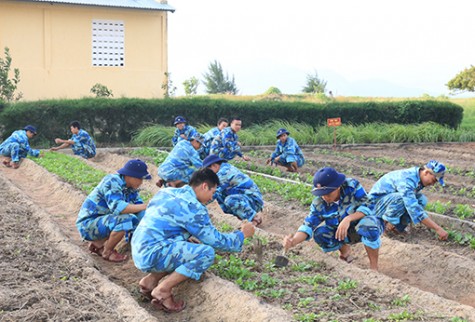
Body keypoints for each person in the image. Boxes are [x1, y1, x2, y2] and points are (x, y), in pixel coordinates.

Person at [131, 168, 255, 313]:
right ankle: (163, 291)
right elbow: (216, 241)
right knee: (206, 253)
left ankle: (149, 282)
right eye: (212, 192)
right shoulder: (193, 207)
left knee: (187, 246)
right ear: (204, 186)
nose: (211, 198)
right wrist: (242, 235)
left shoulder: (167, 191)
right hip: (151, 254)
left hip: (139, 247)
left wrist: (184, 237)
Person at [282, 167, 382, 270]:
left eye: (328, 194)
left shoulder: (351, 186)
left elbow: (368, 205)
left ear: (337, 187)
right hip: (342, 233)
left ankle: (373, 268)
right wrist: (293, 241)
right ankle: (345, 252)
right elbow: (308, 225)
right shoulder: (319, 204)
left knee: (369, 226)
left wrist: (348, 219)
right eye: (322, 194)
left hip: (361, 225)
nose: (325, 198)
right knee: (320, 234)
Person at [76, 159, 151, 262]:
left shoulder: (130, 189)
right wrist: (146, 206)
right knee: (124, 220)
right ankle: (107, 252)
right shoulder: (112, 182)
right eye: (140, 179)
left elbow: (139, 208)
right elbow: (119, 208)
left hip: (101, 221)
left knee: (135, 219)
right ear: (130, 175)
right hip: (88, 224)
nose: (141, 182)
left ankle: (98, 244)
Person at [367, 160, 449, 241]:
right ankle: (382, 227)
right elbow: (413, 208)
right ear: (426, 172)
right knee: (401, 198)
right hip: (373, 208)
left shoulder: (418, 178)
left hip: (386, 203)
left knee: (421, 199)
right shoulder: (407, 179)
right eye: (434, 180)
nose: (433, 184)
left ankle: (397, 228)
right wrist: (437, 228)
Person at [202, 155, 264, 226]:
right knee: (220, 196)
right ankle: (240, 217)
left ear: (214, 166)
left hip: (253, 200)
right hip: (243, 197)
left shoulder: (223, 173)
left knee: (230, 200)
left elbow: (212, 193)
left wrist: (197, 204)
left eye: (208, 171)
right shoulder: (223, 168)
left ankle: (254, 218)